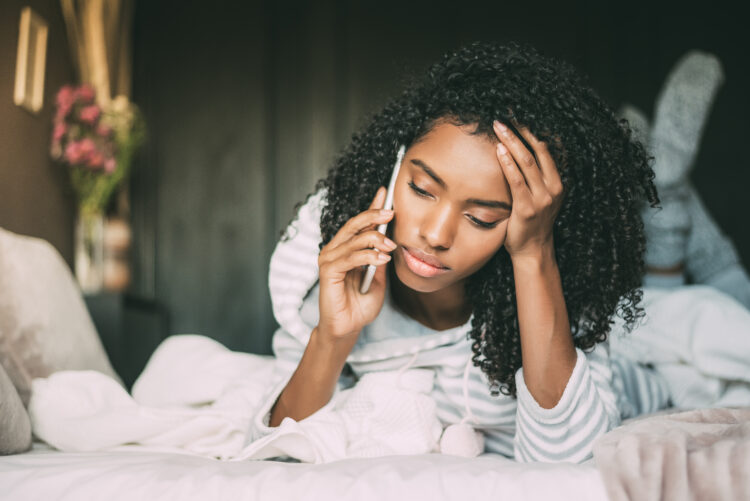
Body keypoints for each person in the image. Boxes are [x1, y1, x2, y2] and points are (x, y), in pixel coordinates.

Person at [248, 40, 674, 464]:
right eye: (421, 189)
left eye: (482, 218)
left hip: (639, 373)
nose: (435, 234)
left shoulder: (558, 290)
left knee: (688, 309)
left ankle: (673, 207)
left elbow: (570, 461)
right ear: (394, 164)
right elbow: (272, 450)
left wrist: (533, 253)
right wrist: (332, 337)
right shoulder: (332, 266)